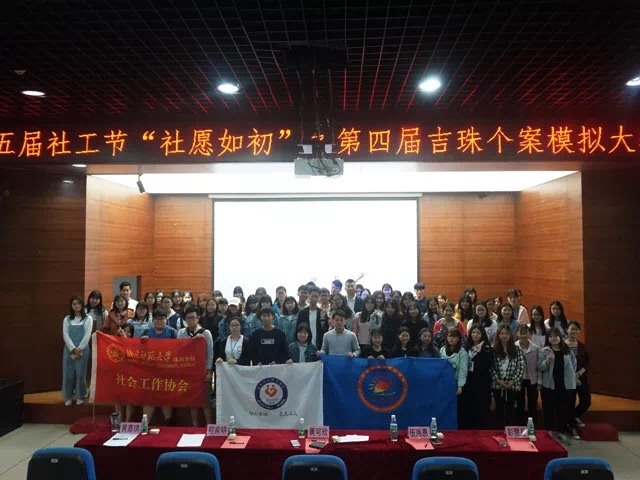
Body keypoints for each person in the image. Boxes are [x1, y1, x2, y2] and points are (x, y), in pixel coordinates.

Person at [538, 327, 577, 444]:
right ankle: (549, 432)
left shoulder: (567, 350)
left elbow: (574, 364)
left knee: (563, 410)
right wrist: (547, 361)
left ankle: (561, 431)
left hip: (566, 385)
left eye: (555, 336)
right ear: (547, 338)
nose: (553, 338)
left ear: (560, 337)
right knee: (549, 409)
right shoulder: (544, 351)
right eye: (550, 337)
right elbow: (539, 366)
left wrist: (572, 377)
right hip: (549, 385)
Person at [178, 305, 214, 426]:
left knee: (205, 399)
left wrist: (209, 371)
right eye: (188, 318)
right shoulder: (181, 332)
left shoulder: (206, 333)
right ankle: (195, 424)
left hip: (203, 370)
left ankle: (209, 423)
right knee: (192, 399)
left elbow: (210, 353)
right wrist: (192, 341)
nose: (190, 320)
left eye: (193, 317)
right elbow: (179, 350)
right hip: (188, 370)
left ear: (198, 318)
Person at [141, 309, 178, 426]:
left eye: (162, 318)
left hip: (167, 370)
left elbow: (180, 349)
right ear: (153, 320)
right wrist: (143, 343)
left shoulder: (172, 332)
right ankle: (145, 423)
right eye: (157, 319)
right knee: (149, 397)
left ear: (166, 320)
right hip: (150, 370)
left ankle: (168, 421)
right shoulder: (146, 332)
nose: (159, 321)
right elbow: (138, 351)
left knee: (165, 395)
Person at [62, 296, 93, 406]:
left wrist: (79, 348)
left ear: (82, 305)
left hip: (83, 350)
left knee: (80, 374)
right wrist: (73, 348)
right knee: (68, 374)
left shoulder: (88, 318)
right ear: (71, 306)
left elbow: (87, 335)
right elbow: (65, 335)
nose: (76, 306)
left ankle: (80, 395)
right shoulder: (67, 319)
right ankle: (69, 396)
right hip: (69, 350)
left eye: (78, 304)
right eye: (74, 304)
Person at [491, 326, 525, 428]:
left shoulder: (517, 349)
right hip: (498, 384)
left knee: (511, 410)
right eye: (502, 333)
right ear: (498, 335)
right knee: (499, 410)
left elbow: (520, 366)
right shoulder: (493, 349)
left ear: (510, 335)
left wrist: (513, 380)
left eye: (506, 333)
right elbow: (491, 367)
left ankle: (511, 432)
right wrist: (498, 380)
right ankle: (499, 432)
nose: (504, 336)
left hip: (513, 385)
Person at [461, 325, 493, 429]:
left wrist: (479, 353)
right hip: (468, 381)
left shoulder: (487, 348)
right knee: (468, 407)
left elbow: (484, 367)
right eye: (473, 332)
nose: (475, 335)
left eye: (478, 333)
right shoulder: (466, 347)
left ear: (482, 335)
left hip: (482, 382)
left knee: (481, 408)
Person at [566, 321, 591, 431]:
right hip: (567, 379)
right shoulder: (563, 346)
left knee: (586, 401)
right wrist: (573, 377)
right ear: (567, 330)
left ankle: (572, 418)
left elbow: (587, 363)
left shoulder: (582, 346)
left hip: (581, 378)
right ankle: (571, 427)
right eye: (572, 329)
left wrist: (579, 374)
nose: (574, 331)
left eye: (576, 329)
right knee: (570, 403)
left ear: (579, 331)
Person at [515, 324, 541, 426]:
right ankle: (520, 424)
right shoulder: (513, 347)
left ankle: (533, 425)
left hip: (532, 379)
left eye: (525, 333)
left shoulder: (535, 348)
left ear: (529, 334)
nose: (523, 335)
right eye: (521, 333)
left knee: (532, 402)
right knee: (519, 402)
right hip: (518, 379)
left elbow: (538, 366)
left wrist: (539, 381)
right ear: (517, 334)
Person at [440, 329, 468, 397]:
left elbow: (463, 370)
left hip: (454, 383)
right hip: (443, 382)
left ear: (458, 338)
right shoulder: (442, 350)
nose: (451, 339)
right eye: (449, 336)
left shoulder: (463, 353)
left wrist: (460, 385)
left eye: (454, 337)